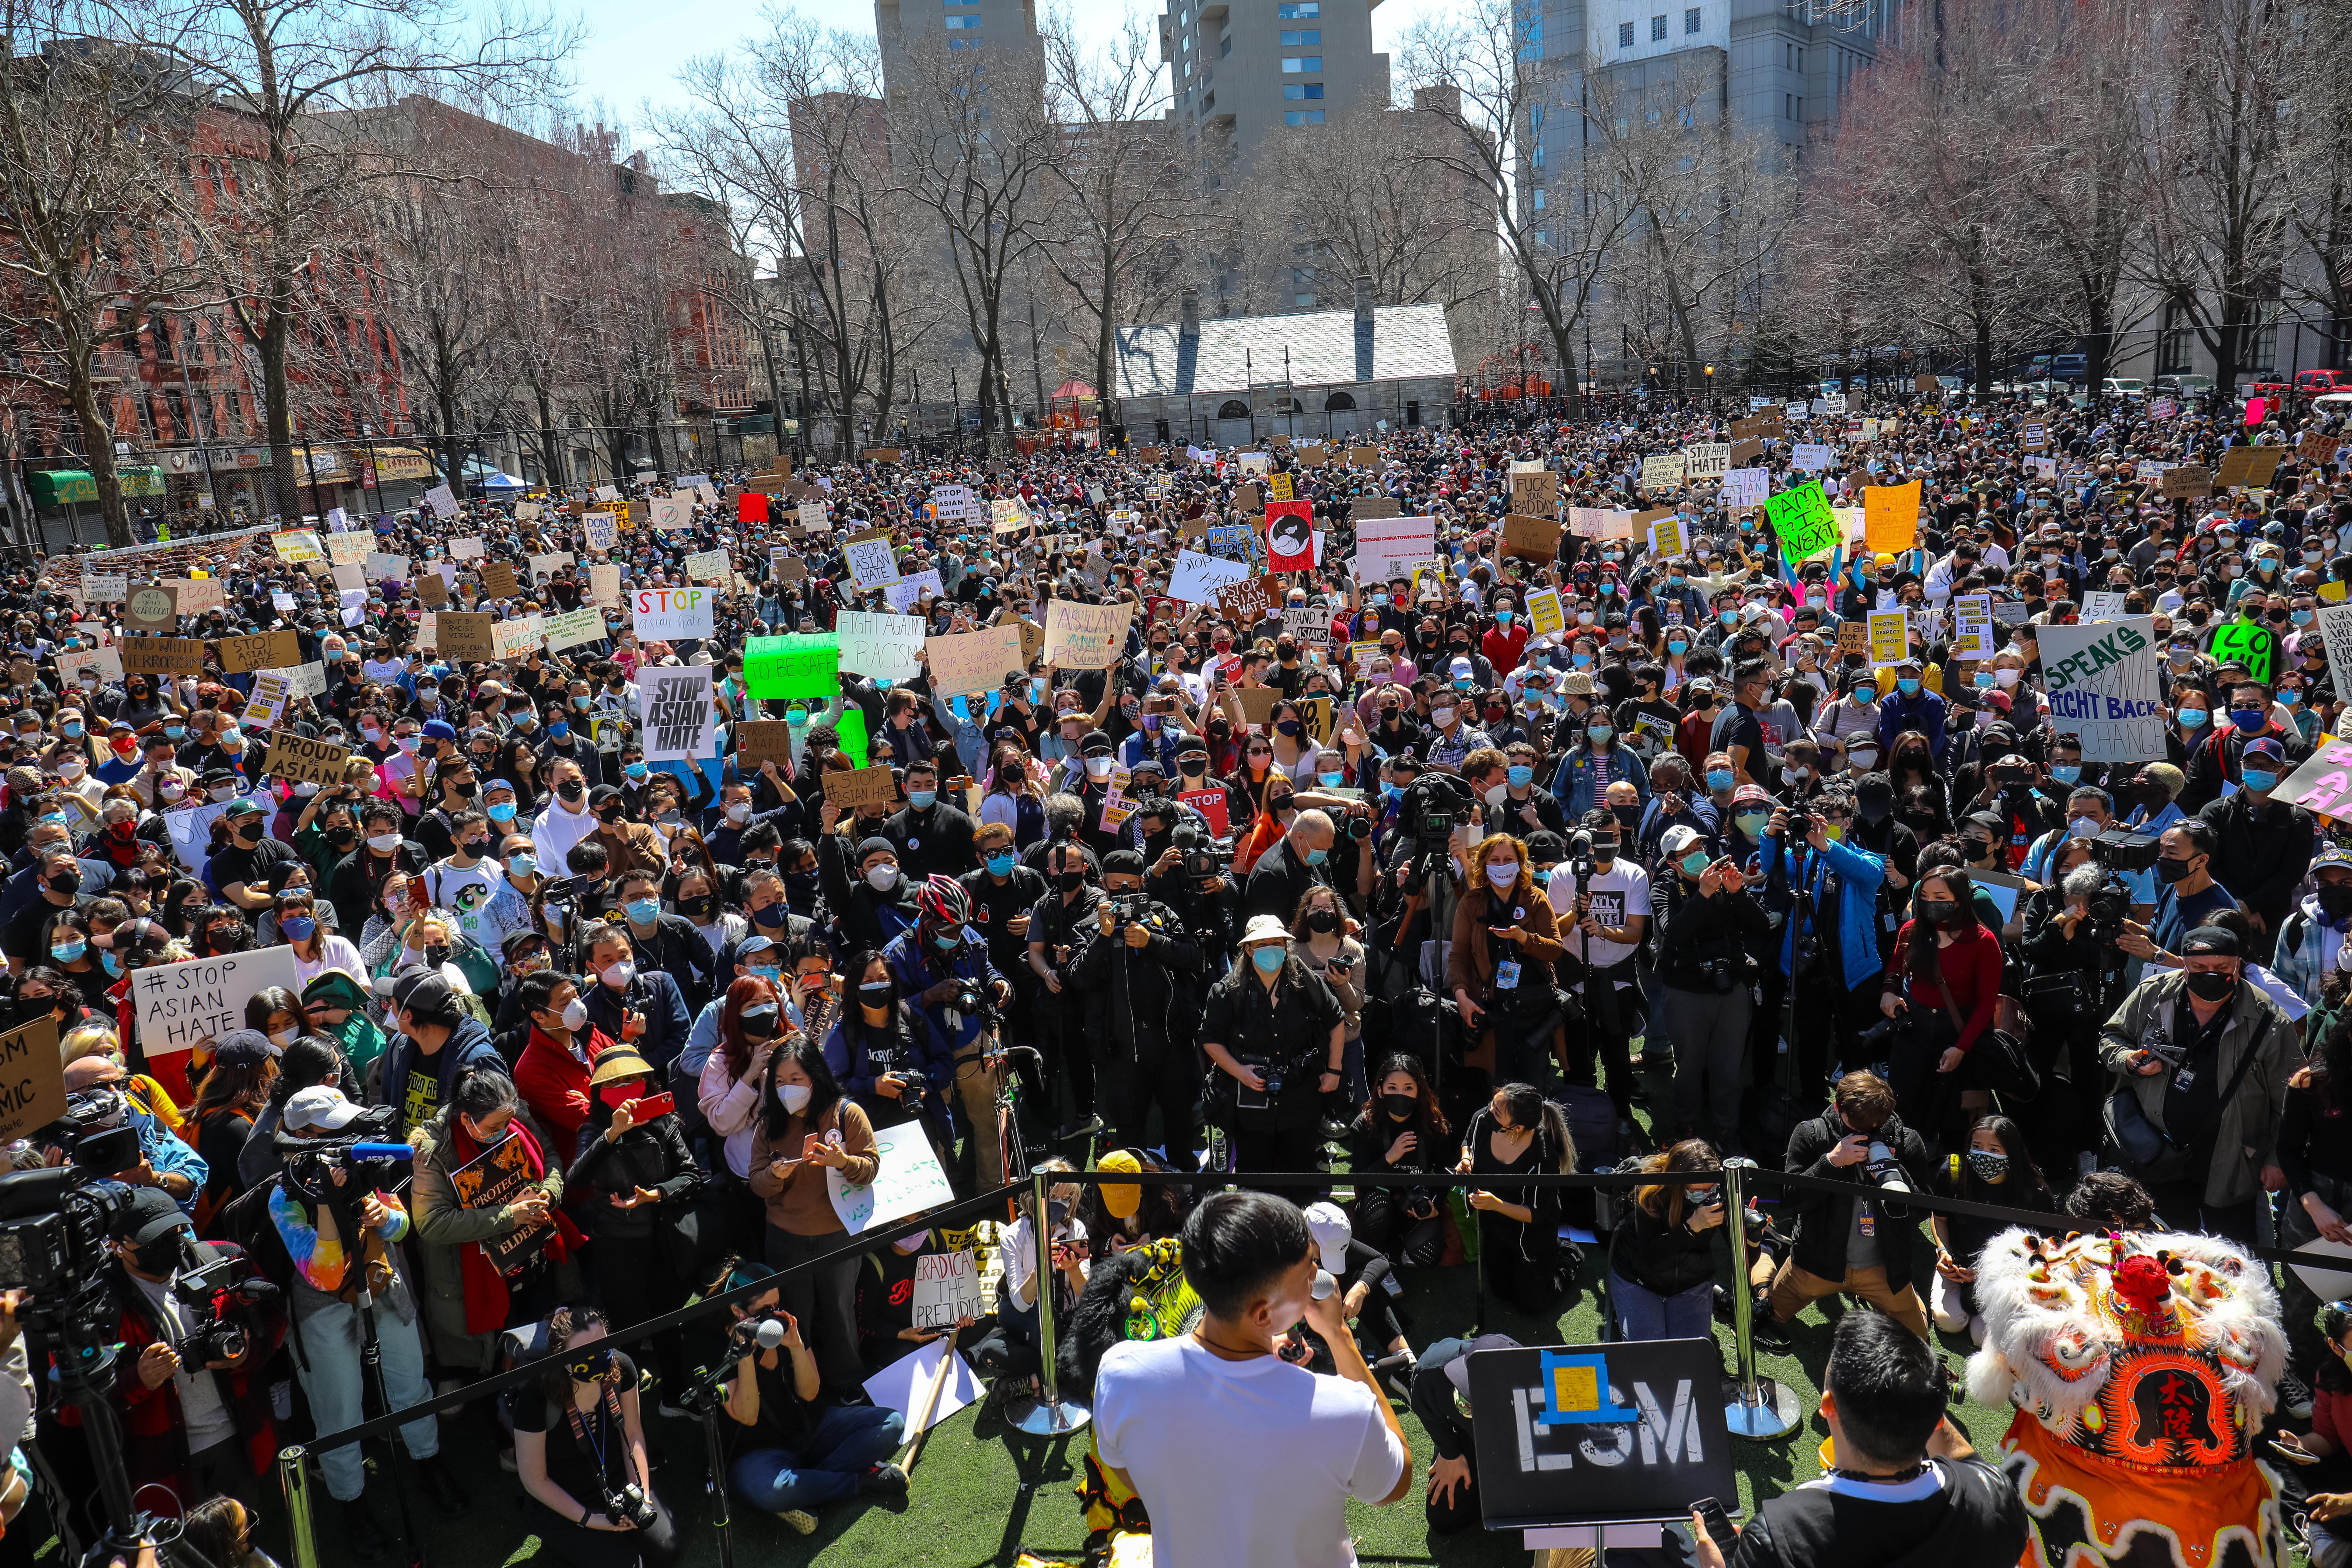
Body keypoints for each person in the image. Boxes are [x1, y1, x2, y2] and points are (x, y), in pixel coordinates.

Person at [1091, 1191, 1412, 1568]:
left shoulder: (1121, 1375)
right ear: (1263, 1314)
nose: (1319, 1275)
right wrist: (1339, 1334)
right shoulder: (1345, 1410)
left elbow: (1127, 1466)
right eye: (1308, 1269)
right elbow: (1396, 1481)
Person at [1692, 1312, 2028, 1567]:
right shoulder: (1995, 1498)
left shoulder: (1778, 1539)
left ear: (1828, 1407)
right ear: (1939, 1419)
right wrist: (1923, 1403)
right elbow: (1970, 1464)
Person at [2096, 924, 2293, 1247]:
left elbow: (2289, 1099)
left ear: (2238, 966)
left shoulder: (2269, 1019)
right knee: (2162, 1247)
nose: (2210, 975)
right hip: (2157, 1153)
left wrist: (2276, 1159)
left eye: (2221, 968)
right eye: (2199, 968)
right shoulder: (2153, 993)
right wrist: (2130, 1059)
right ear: (2183, 963)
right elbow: (2111, 1036)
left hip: (2231, 1158)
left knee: (2231, 1254)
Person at [714, 1259, 907, 1535]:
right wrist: (745, 1356)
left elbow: (810, 1392)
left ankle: (811, 1487)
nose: (775, 1315)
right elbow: (748, 1416)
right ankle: (859, 1483)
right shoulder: (719, 1352)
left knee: (892, 1423)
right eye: (765, 1310)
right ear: (738, 1311)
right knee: (776, 1491)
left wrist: (795, 1347)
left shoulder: (788, 1326)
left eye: (777, 1305)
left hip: (809, 1431)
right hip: (756, 1455)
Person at [409, 1069, 574, 1378]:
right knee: (499, 1357)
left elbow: (549, 1156)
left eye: (508, 1123)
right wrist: (509, 1216)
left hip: (534, 1258)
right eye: (495, 1127)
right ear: (466, 1119)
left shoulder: (517, 1117)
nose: (505, 1130)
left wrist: (550, 1192)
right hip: (477, 1274)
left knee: (535, 1335)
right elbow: (431, 1223)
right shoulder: (434, 1149)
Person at [1754, 1071, 1936, 1349]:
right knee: (1768, 1316)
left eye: (1877, 1126)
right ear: (1838, 1108)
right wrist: (1831, 1162)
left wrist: (1894, 1173)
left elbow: (1922, 1211)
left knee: (1917, 1340)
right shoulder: (1811, 1134)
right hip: (1816, 1264)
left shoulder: (1906, 1141)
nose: (1867, 1133)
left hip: (1883, 1270)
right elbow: (1791, 1199)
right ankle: (1764, 1255)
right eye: (1858, 1125)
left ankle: (1905, 1301)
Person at [748, 1037, 877, 1397]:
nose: (787, 1088)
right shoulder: (769, 1124)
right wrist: (775, 1176)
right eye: (779, 1081)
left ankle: (847, 1381)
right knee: (793, 1315)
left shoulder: (846, 1113)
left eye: (796, 1078)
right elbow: (756, 1181)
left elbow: (871, 1167)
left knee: (840, 1309)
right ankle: (798, 1387)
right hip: (786, 1237)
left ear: (816, 1077)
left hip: (839, 1234)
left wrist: (842, 1162)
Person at [510, 1304, 680, 1568]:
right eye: (586, 1354)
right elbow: (535, 1480)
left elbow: (633, 1434)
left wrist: (641, 1493)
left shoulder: (622, 1367)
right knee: (627, 1564)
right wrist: (592, 1519)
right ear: (562, 1359)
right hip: (567, 1497)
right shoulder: (536, 1399)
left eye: (603, 1346)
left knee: (665, 1549)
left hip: (618, 1481)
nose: (600, 1358)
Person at [1198, 914, 1345, 1180]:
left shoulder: (1304, 981)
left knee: (1302, 1177)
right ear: (1248, 949)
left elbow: (1336, 1019)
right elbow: (1210, 1039)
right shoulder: (1228, 990)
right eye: (1262, 944)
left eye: (1277, 943)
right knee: (1254, 1181)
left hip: (1302, 1098)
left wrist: (1334, 1071)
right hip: (1250, 1104)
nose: (1272, 949)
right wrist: (1240, 1072)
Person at [1452, 1081, 1577, 1315]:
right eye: (1493, 1104)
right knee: (1501, 1292)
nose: (1489, 1111)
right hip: (1495, 1227)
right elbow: (1469, 1140)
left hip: (1530, 1234)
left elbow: (1536, 1213)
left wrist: (1496, 1205)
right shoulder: (1483, 1120)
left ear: (1517, 1128)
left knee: (1532, 1305)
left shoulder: (1542, 1156)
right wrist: (1466, 1159)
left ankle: (1569, 1257)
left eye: (1497, 1112)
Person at [1927, 1114, 2054, 1343]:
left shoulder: (2033, 1192)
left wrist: (1990, 1275)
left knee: (1981, 1337)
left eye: (1994, 1149)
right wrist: (1944, 1252)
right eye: (1977, 1147)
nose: (1984, 1155)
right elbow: (1940, 1219)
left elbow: (2043, 1248)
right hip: (1958, 1265)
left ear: (2012, 1153)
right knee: (1950, 1321)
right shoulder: (1955, 1172)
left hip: (2006, 1275)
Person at [1609, 1138, 1729, 1343]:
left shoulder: (1720, 1190)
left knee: (1689, 1358)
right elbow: (1649, 1256)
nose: (1707, 1197)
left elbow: (1745, 1254)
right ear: (1678, 1185)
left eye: (1712, 1189)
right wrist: (1691, 1228)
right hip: (1640, 1279)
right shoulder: (1650, 1190)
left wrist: (1750, 1235)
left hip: (1691, 1282)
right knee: (1653, 1357)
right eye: (1699, 1192)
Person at [1343, 1055, 1448, 1268]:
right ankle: (1380, 1254)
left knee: (1428, 1255)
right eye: (1393, 1088)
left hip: (1415, 1205)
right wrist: (1390, 1157)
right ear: (1381, 1091)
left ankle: (1403, 1245)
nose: (1400, 1095)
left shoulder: (1433, 1125)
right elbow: (1360, 1181)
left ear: (1419, 1092)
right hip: (1378, 1206)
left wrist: (1434, 1204)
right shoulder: (1365, 1124)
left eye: (1408, 1088)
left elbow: (1446, 1172)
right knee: (1377, 1205)